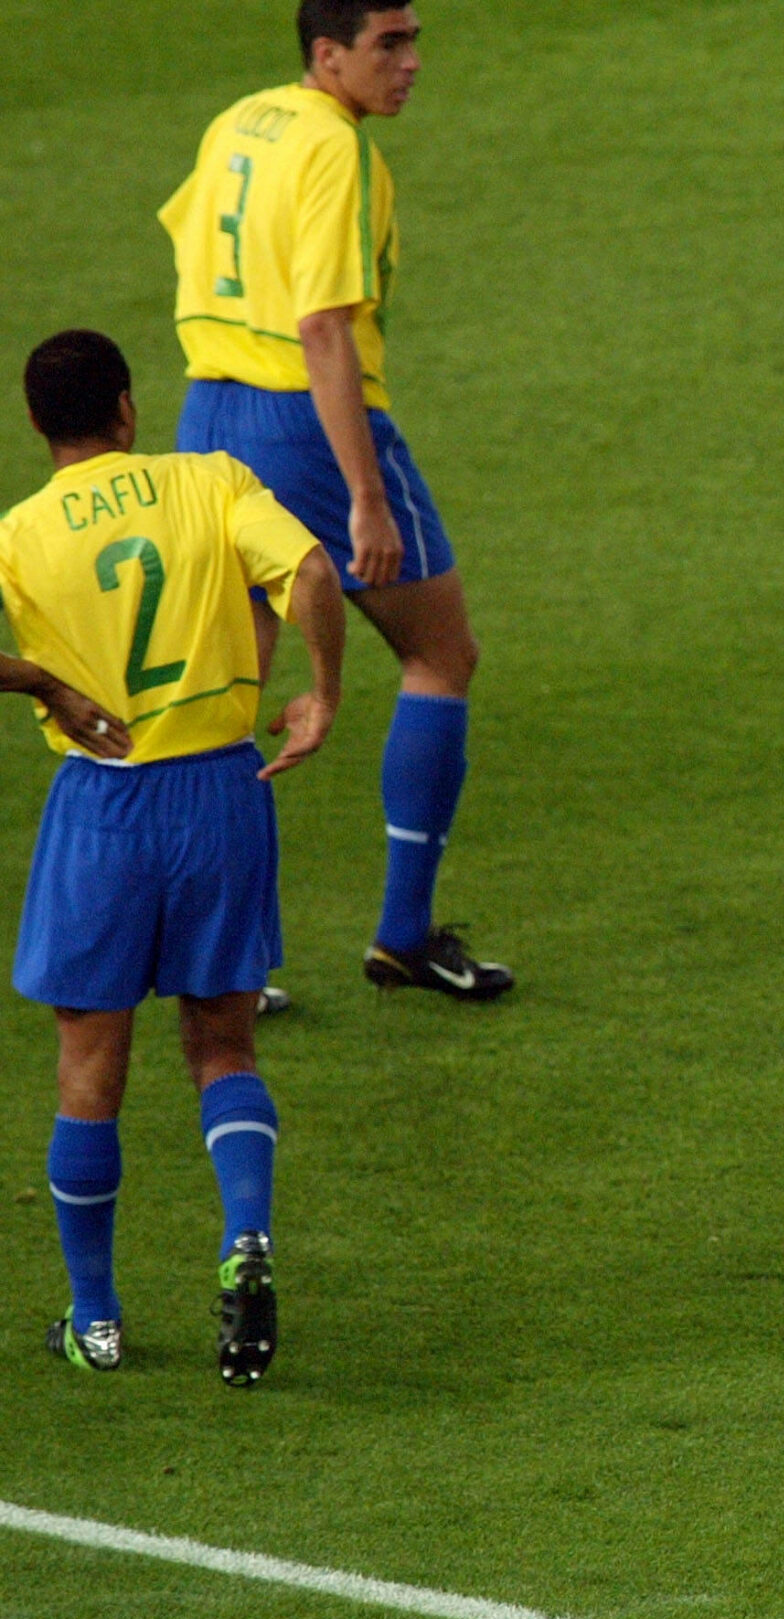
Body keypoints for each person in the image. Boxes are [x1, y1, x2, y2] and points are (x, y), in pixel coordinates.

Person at [0, 331, 344, 1382]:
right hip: (219, 795)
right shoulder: (209, 479)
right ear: (126, 407)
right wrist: (321, 695)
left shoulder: (19, 533)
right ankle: (245, 1234)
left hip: (102, 802)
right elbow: (314, 571)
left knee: (89, 1064)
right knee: (225, 1048)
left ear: (34, 426)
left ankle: (96, 1318)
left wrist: (46, 685)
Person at [158, 0, 511, 997]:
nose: (411, 65)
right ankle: (402, 931)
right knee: (441, 653)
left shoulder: (240, 121)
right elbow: (322, 326)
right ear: (328, 54)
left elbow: (194, 248)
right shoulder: (335, 150)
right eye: (387, 45)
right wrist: (364, 492)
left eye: (414, 42)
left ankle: (220, 964)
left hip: (209, 416)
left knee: (232, 690)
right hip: (306, 419)